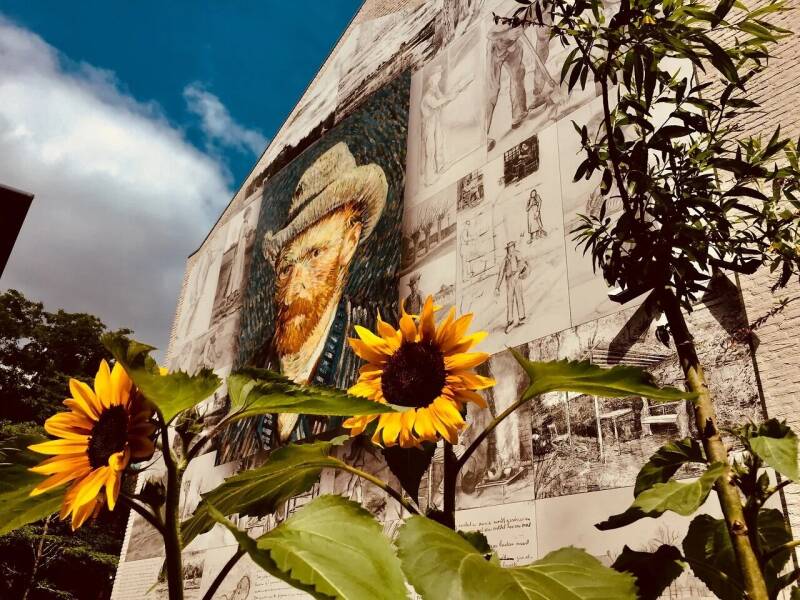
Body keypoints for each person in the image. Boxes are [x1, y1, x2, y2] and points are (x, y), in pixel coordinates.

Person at [256, 142, 389, 443]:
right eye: (285, 269)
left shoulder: (381, 344)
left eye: (315, 254)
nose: (291, 292)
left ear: (349, 243)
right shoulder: (254, 371)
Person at [421, 66, 473, 185]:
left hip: (435, 120)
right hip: (429, 123)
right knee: (431, 150)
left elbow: (443, 100)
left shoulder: (435, 89)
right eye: (437, 74)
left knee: (439, 142)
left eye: (440, 74)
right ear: (431, 78)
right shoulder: (428, 95)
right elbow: (437, 103)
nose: (439, 76)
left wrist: (456, 91)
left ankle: (440, 166)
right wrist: (451, 95)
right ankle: (429, 178)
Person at [495, 241, 527, 333]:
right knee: (509, 300)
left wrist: (517, 273)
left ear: (514, 247)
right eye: (508, 248)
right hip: (509, 280)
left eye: (511, 247)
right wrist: (497, 287)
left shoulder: (518, 254)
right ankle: (510, 320)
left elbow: (521, 263)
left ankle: (522, 317)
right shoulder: (505, 259)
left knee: (519, 297)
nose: (509, 249)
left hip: (517, 278)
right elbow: (501, 273)